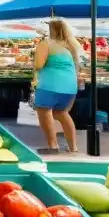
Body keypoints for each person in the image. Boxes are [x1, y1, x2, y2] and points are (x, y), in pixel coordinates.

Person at [33, 18, 82, 154]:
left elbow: (39, 65)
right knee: (62, 113)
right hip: (70, 87)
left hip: (51, 84)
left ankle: (53, 145)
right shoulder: (70, 46)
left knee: (44, 111)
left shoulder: (47, 43)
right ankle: (73, 147)